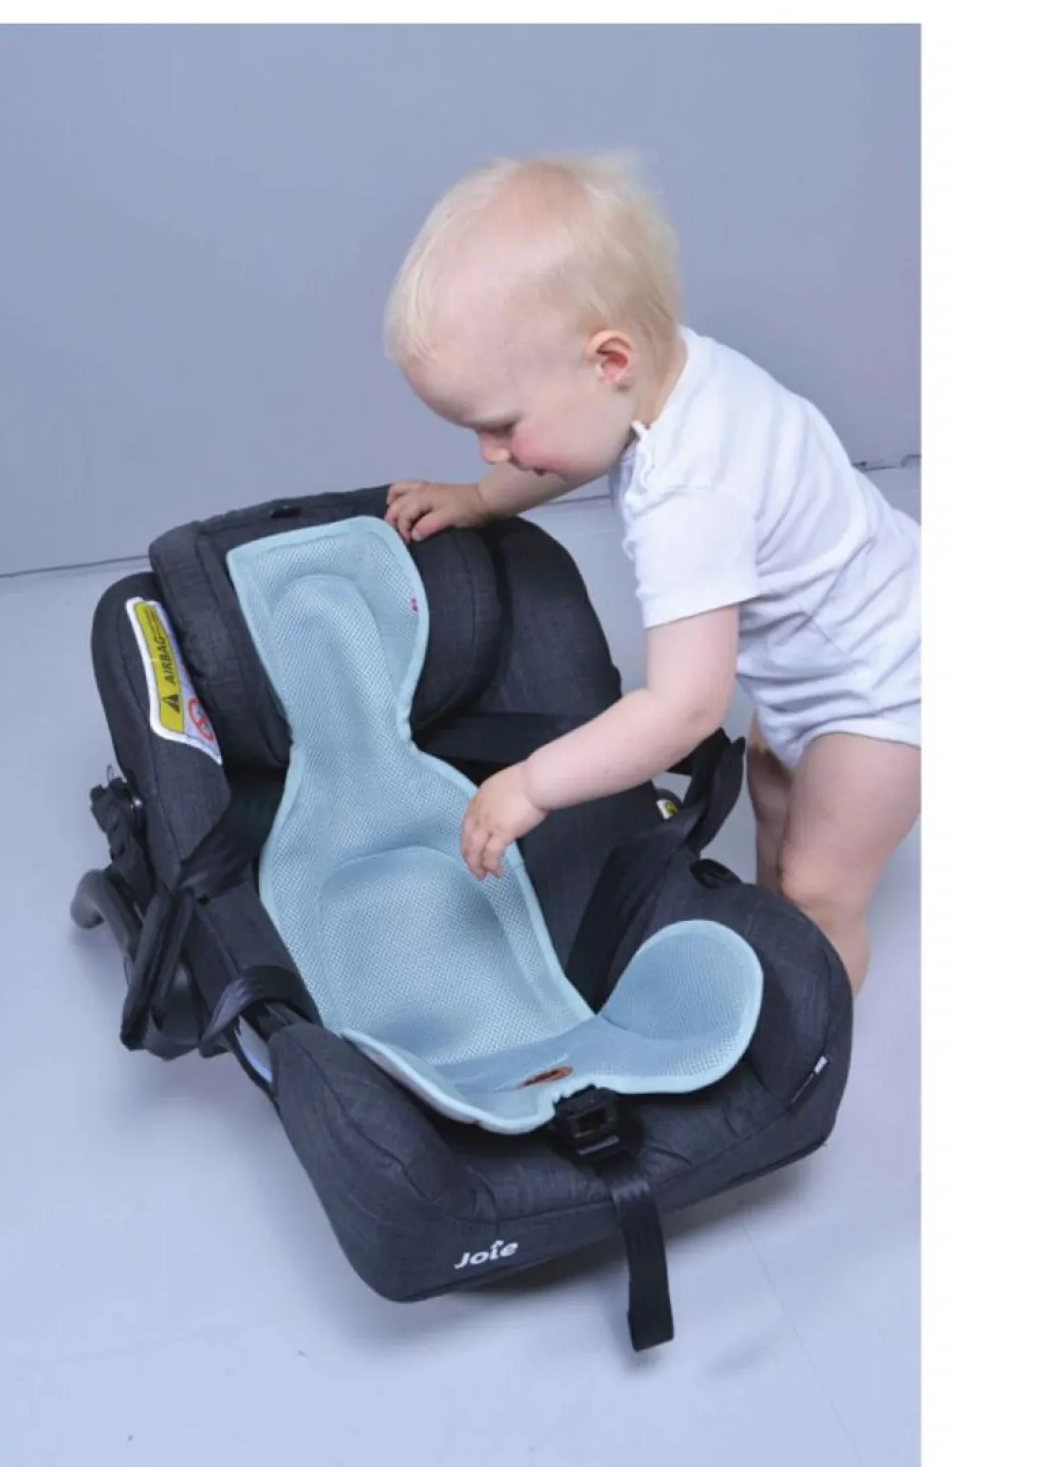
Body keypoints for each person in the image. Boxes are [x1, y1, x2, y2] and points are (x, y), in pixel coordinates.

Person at [381, 153, 919, 994]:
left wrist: (532, 786)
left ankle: (814, 1031)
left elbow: (682, 710)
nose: (491, 451)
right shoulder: (666, 376)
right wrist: (482, 499)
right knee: (776, 795)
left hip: (887, 686)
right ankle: (775, 954)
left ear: (608, 361)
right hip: (841, 641)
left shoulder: (691, 496)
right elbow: (571, 447)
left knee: (820, 887)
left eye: (502, 427)